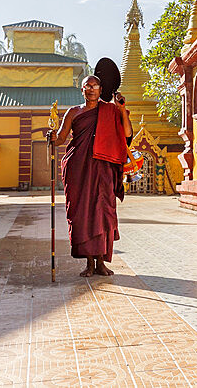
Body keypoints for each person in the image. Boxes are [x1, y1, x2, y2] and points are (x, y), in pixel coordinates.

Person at [47, 75, 132, 277]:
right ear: (82, 89)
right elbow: (60, 138)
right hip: (79, 168)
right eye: (87, 86)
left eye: (95, 86)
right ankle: (89, 264)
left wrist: (121, 108)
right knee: (82, 213)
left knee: (103, 212)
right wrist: (52, 137)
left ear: (101, 89)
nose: (91, 89)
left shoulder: (110, 110)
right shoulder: (73, 112)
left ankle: (101, 262)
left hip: (103, 167)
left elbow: (127, 133)